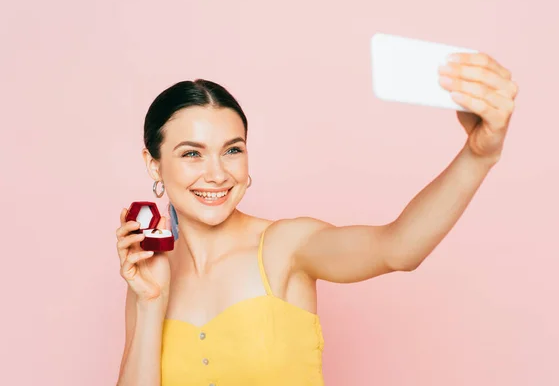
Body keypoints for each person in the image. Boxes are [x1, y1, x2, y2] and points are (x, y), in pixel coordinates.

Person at [115, 52, 518, 386]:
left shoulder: (284, 246)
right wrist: (150, 302)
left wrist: (479, 155)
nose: (218, 173)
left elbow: (399, 248)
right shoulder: (151, 277)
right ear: (154, 164)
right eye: (192, 153)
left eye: (232, 150)